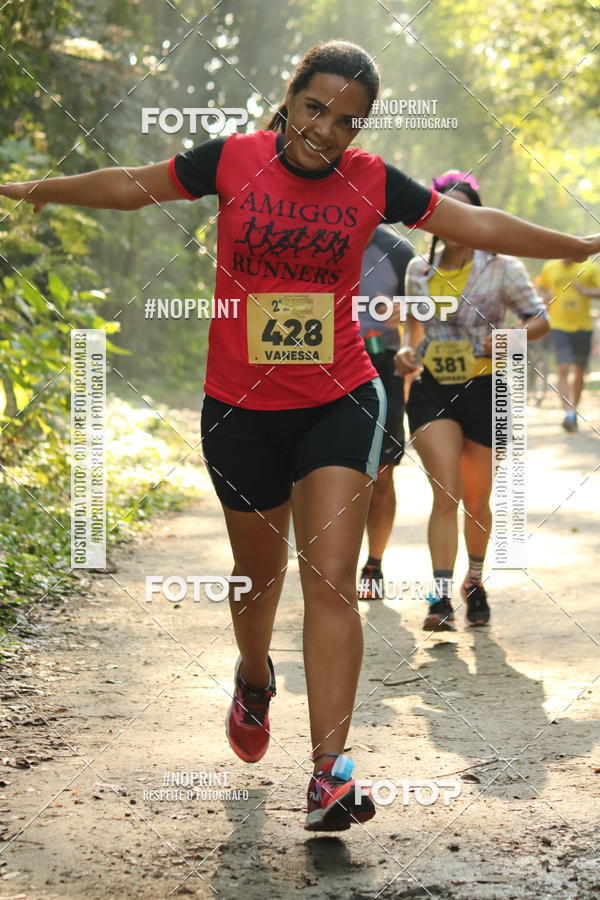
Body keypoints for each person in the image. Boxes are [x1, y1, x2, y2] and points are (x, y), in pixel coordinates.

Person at [2, 42, 598, 832]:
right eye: (316, 108)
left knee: (330, 578)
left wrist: (580, 244)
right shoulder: (233, 160)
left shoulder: (373, 181)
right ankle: (255, 676)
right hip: (239, 410)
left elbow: (476, 221)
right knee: (257, 584)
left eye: (347, 120)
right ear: (289, 97)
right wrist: (35, 187)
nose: (326, 130)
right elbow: (130, 185)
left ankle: (330, 774)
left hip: (339, 398)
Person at [396, 171, 550, 632]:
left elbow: (539, 320)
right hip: (432, 391)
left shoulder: (502, 266)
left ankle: (475, 583)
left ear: (477, 218)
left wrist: (505, 341)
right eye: (444, 209)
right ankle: (439, 597)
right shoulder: (418, 269)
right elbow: (413, 325)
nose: (453, 218)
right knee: (446, 491)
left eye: (462, 209)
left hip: (486, 389)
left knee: (476, 499)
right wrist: (406, 350)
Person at [357, 225, 413, 601]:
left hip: (381, 364)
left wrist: (405, 310)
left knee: (381, 472)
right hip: (318, 363)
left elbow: (431, 309)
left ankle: (373, 564)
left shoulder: (398, 250)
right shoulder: (308, 234)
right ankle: (329, 562)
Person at [537, 257, 600, 431]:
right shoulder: (549, 266)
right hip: (558, 325)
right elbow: (539, 288)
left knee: (579, 371)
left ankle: (574, 409)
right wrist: (543, 297)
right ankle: (568, 414)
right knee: (563, 368)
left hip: (582, 326)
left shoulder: (589, 267)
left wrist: (585, 291)